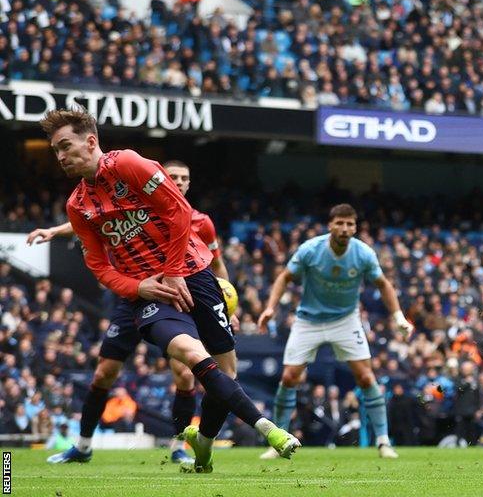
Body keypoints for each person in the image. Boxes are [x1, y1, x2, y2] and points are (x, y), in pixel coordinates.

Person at [39, 108, 298, 473]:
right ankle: (266, 427)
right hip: (151, 292)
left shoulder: (127, 164)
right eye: (56, 150)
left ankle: (203, 447)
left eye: (65, 145)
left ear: (91, 141)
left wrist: (176, 271)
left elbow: (178, 211)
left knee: (228, 373)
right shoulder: (78, 206)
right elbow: (99, 266)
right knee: (187, 356)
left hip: (195, 276)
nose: (61, 156)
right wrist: (139, 285)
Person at [35, 159, 231, 465]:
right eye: (173, 176)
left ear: (189, 184)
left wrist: (225, 298)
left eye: (184, 178)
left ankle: (178, 445)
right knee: (105, 371)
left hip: (181, 292)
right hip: (136, 294)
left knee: (184, 375)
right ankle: (84, 445)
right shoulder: (141, 201)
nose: (178, 182)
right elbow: (92, 219)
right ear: (163, 177)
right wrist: (56, 230)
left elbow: (216, 263)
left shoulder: (202, 222)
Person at [257, 204, 413, 459]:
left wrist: (398, 317)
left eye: (350, 224)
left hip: (345, 320)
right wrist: (271, 308)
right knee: (289, 377)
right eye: (340, 223)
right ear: (330, 225)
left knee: (365, 377)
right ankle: (278, 439)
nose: (345, 228)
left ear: (355, 227)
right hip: (309, 320)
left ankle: (383, 441)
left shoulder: (363, 253)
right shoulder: (310, 249)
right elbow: (285, 277)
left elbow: (383, 285)